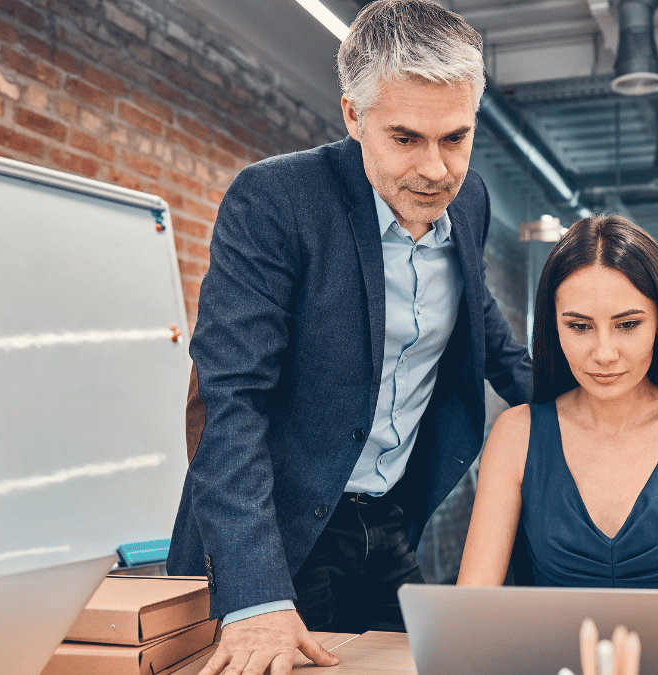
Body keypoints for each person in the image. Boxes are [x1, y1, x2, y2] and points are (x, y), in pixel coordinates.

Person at [165, 1, 531, 672]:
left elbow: (482, 324)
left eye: (455, 137)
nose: (436, 169)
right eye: (406, 138)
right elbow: (231, 404)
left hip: (387, 521)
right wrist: (254, 596)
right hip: (280, 532)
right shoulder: (277, 202)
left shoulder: (467, 201)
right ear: (353, 116)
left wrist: (597, 404)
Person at [456, 214, 658, 663]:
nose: (604, 353)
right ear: (553, 327)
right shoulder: (516, 434)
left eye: (627, 324)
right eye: (578, 326)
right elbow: (468, 614)